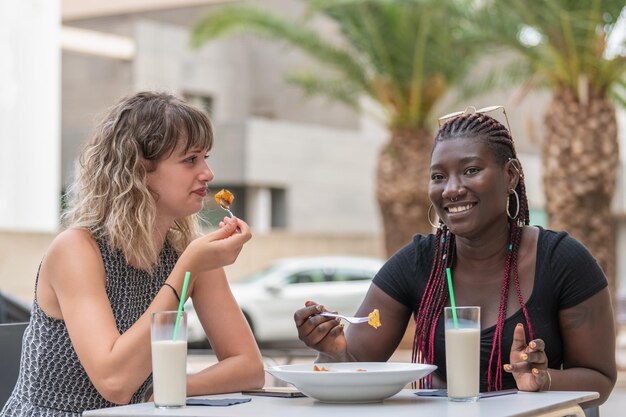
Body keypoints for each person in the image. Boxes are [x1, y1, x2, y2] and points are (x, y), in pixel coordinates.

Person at [294, 107, 616, 407]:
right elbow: (354, 367)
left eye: (471, 170)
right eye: (438, 177)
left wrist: (543, 380)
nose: (451, 189)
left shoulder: (561, 260)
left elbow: (600, 379)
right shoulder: (418, 262)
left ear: (511, 175)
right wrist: (332, 349)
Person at [0, 91, 265, 417]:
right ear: (140, 170)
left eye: (205, 157)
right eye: (190, 159)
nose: (208, 173)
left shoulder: (187, 252)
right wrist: (187, 270)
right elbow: (116, 382)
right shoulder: (77, 250)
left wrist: (169, 387)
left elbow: (250, 368)